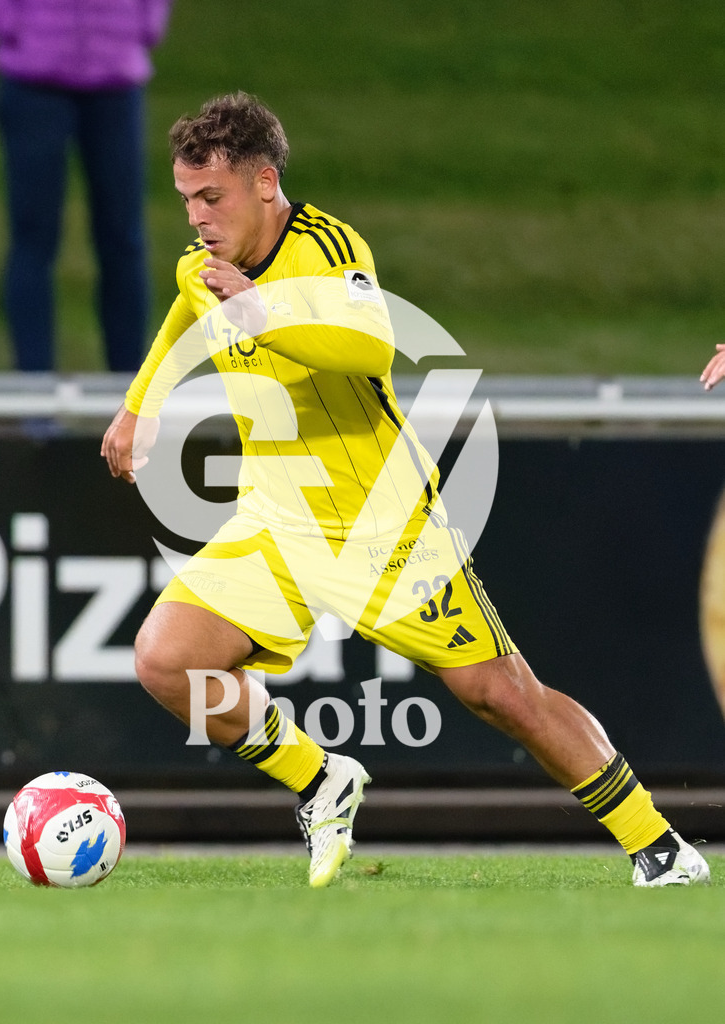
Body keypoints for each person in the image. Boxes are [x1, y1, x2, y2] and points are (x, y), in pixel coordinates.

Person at [102, 91, 711, 889]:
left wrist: (264, 314)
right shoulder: (204, 267)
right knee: (165, 659)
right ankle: (321, 780)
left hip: (381, 524)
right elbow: (187, 310)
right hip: (277, 521)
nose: (196, 218)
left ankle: (661, 846)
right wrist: (140, 403)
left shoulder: (328, 248)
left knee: (499, 693)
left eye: (210, 196)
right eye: (186, 200)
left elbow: (369, 346)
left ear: (263, 182)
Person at [0, 0, 174, 372]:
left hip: (116, 76)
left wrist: (146, 22)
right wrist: (12, 25)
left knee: (123, 239)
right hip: (33, 77)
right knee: (33, 237)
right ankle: (35, 401)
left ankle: (130, 396)